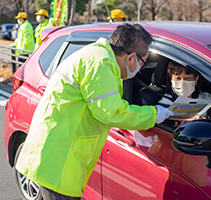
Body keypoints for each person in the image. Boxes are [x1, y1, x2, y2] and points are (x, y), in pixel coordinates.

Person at [15, 23, 173, 199]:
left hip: (56, 153)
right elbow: (112, 112)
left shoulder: (96, 55)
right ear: (131, 57)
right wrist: (154, 114)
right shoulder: (101, 64)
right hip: (59, 161)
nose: (141, 69)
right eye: (143, 63)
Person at [159, 61, 211, 126]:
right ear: (171, 78)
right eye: (178, 78)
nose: (182, 83)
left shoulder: (206, 98)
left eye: (187, 79)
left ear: (196, 80)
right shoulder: (165, 103)